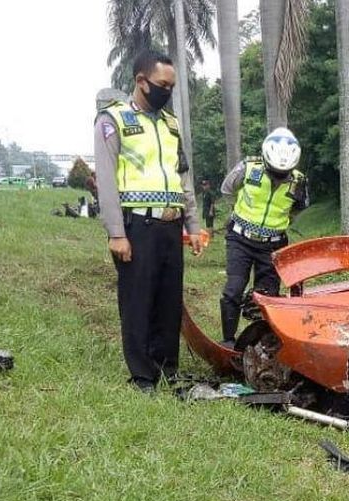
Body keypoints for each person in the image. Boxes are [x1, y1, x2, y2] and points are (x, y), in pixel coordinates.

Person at [94, 51, 203, 393]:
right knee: (138, 300)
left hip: (171, 226)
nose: (166, 91)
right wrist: (116, 232)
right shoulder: (113, 121)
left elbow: (183, 177)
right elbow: (106, 180)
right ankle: (143, 374)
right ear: (141, 81)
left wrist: (194, 225)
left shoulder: (171, 125)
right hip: (136, 226)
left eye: (171, 86)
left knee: (169, 300)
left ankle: (167, 367)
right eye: (161, 85)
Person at [217, 128, 309, 347]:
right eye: (275, 171)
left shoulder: (299, 181)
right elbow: (227, 188)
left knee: (268, 296)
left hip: (273, 245)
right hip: (240, 239)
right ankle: (228, 340)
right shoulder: (248, 168)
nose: (279, 176)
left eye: (284, 172)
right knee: (234, 289)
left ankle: (261, 343)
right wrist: (241, 213)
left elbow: (300, 207)